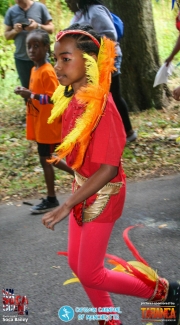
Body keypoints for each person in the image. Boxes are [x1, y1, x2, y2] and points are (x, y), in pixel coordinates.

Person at [42, 24, 180, 325]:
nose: (57, 66)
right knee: (80, 267)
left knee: (90, 270)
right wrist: (62, 161)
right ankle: (109, 319)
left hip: (103, 194)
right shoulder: (71, 100)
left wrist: (65, 205)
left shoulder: (103, 107)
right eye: (57, 59)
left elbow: (108, 169)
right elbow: (81, 157)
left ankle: (165, 292)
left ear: (90, 61)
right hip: (84, 188)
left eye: (66, 59)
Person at [14, 30, 74, 214]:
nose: (31, 50)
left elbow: (56, 98)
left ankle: (52, 198)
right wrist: (26, 91)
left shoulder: (48, 71)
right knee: (49, 159)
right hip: (41, 124)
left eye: (36, 46)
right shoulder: (34, 69)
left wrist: (30, 95)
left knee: (47, 160)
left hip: (49, 125)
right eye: (29, 46)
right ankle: (80, 176)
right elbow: (38, 94)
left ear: (47, 48)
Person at [64, 0, 137, 143]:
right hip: (91, 62)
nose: (67, 2)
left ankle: (128, 132)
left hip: (108, 59)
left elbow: (110, 35)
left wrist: (88, 41)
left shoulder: (96, 11)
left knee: (113, 96)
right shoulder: (80, 14)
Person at [4, 0, 54, 90]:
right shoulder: (11, 11)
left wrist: (37, 26)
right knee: (26, 90)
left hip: (41, 59)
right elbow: (6, 36)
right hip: (21, 59)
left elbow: (51, 29)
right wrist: (15, 31)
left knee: (46, 89)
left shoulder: (40, 7)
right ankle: (29, 104)